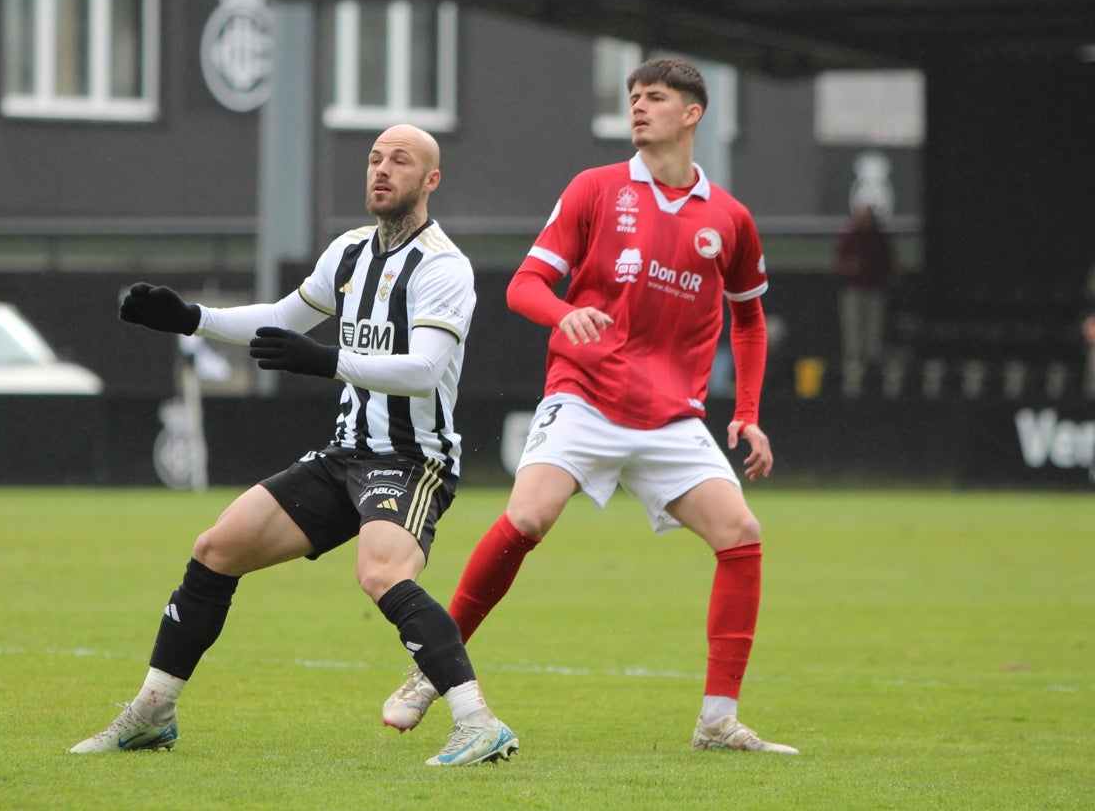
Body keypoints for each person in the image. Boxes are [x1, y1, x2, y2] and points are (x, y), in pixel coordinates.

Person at [381, 59, 797, 754]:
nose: (638, 108)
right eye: (632, 97)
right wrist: (565, 313)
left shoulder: (729, 219)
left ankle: (718, 720)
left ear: (692, 114)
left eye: (654, 98)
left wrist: (748, 410)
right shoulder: (596, 190)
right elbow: (525, 286)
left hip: (672, 416)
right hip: (586, 397)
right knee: (529, 516)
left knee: (741, 535)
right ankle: (430, 674)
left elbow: (749, 320)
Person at [69, 124, 518, 768]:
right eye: (373, 159)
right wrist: (192, 318)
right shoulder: (350, 252)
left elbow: (422, 369)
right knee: (217, 548)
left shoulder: (444, 266)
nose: (381, 170)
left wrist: (326, 360)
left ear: (431, 181)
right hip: (344, 455)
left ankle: (479, 723)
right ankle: (152, 713)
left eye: (401, 161)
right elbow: (283, 317)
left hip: (410, 457)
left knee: (382, 572)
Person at [835, 204, 898, 370]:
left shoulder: (879, 237)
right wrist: (850, 266)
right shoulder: (852, 235)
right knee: (854, 329)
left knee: (874, 330)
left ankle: (873, 365)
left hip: (875, 289)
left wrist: (889, 275)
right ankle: (853, 365)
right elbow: (840, 257)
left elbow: (890, 260)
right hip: (854, 290)